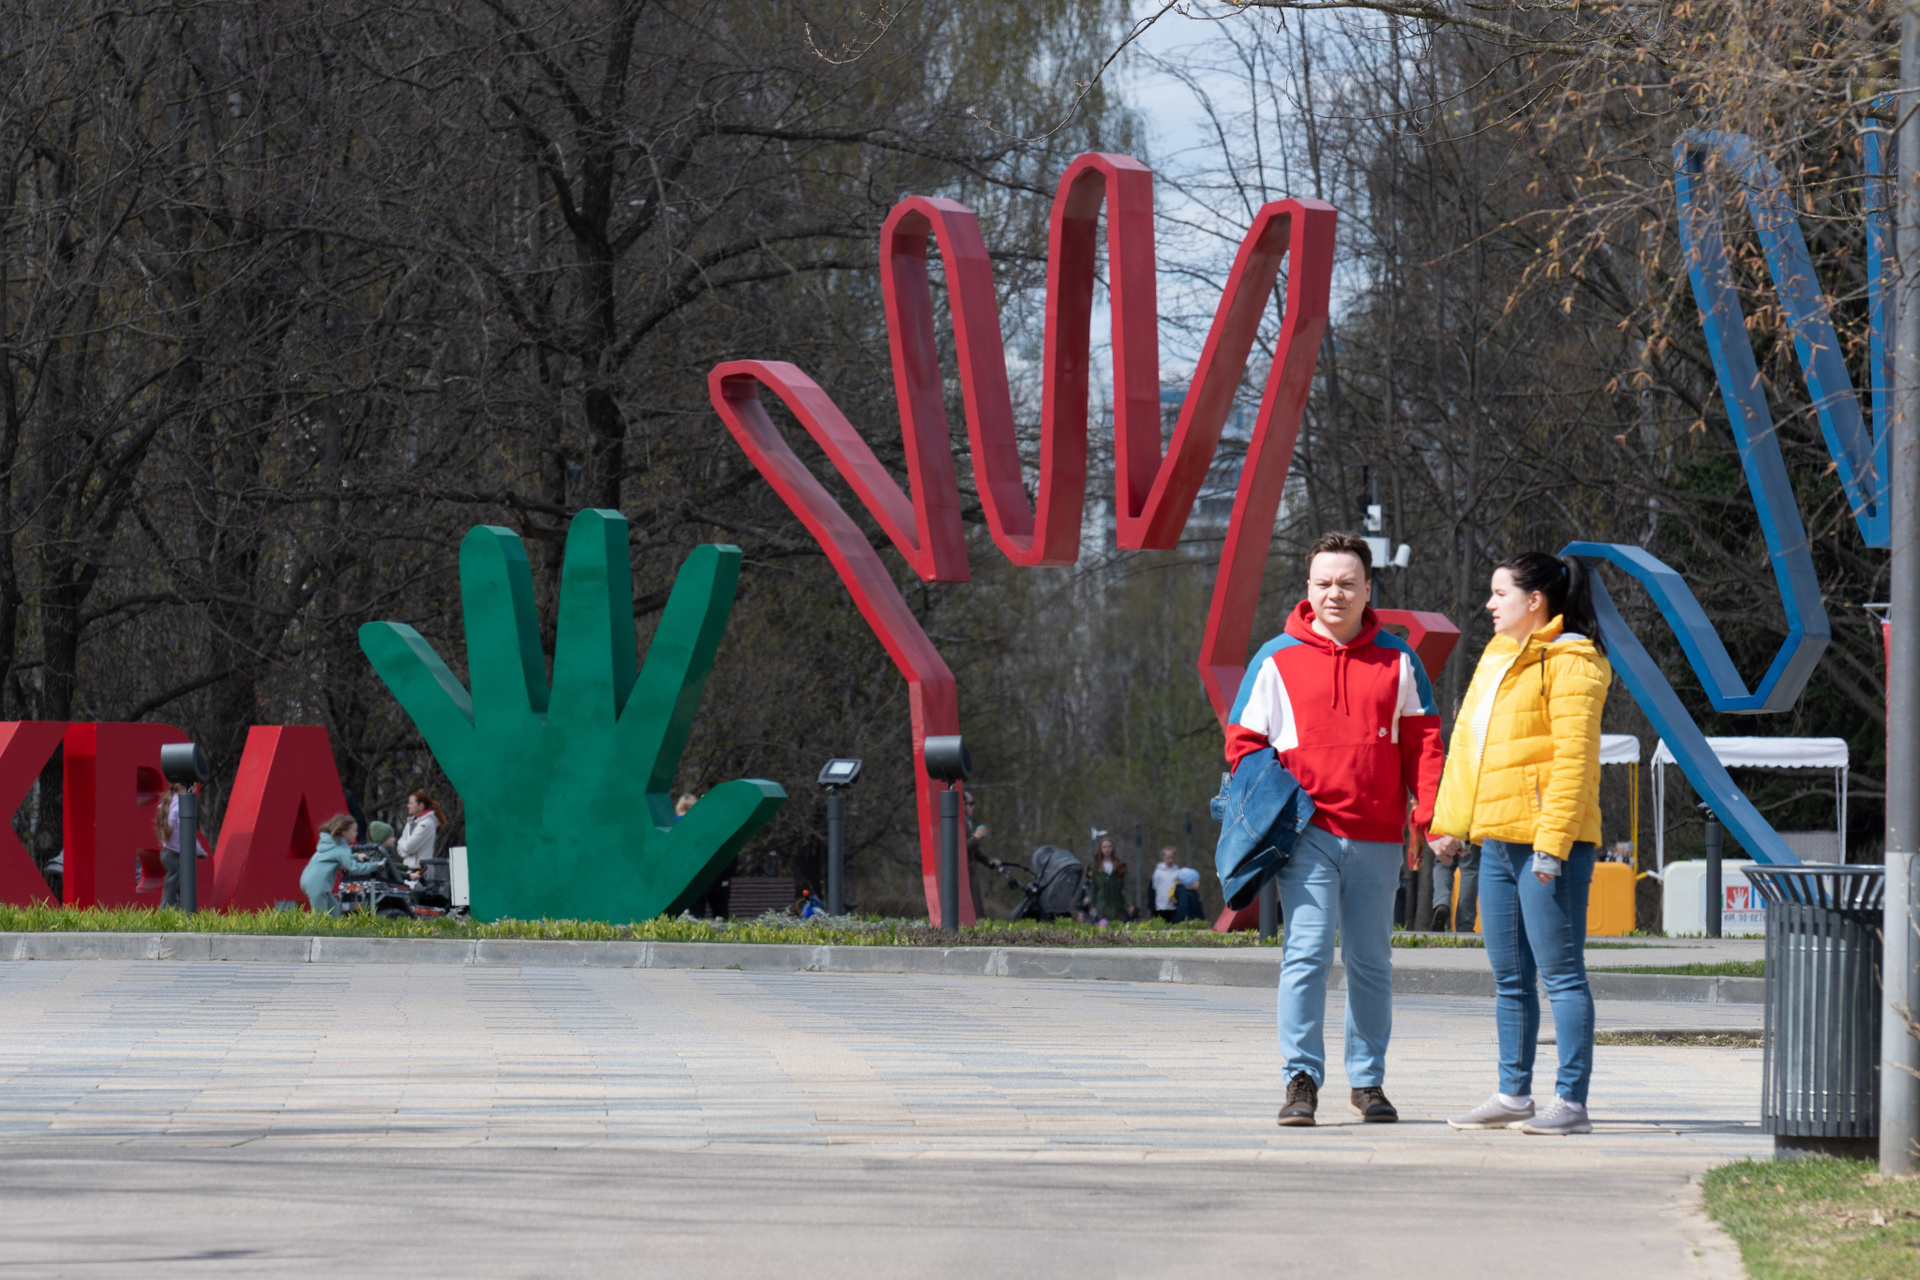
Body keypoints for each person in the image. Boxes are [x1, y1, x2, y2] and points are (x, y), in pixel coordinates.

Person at [1224, 531, 1443, 1127]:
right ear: (1308, 588)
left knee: (1371, 961)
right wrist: (1281, 801)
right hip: (1307, 836)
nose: (1334, 594)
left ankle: (1368, 1081)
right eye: (1323, 583)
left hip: (1378, 835)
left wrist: (1430, 817)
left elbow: (1424, 746)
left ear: (1369, 589)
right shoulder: (1275, 659)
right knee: (1308, 953)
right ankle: (1300, 1080)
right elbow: (1243, 743)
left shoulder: (1400, 660)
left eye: (1347, 583)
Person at [1428, 552, 1611, 1137]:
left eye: (1499, 593)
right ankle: (1512, 1095)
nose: (1489, 603)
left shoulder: (1574, 661)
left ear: (1535, 600)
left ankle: (1571, 1103)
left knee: (1561, 976)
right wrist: (1452, 823)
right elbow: (1470, 747)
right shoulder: (1498, 656)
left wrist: (1552, 846)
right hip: (1497, 842)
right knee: (1510, 979)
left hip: (1547, 846)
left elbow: (1575, 764)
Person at [300, 814, 385, 916]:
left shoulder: (330, 843)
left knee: (335, 911)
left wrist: (355, 856)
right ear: (344, 832)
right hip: (318, 885)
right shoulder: (342, 849)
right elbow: (355, 868)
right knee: (320, 918)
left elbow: (334, 856)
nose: (356, 833)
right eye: (354, 831)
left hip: (307, 879)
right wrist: (376, 865)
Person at [965, 791, 1002, 922]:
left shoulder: (967, 822)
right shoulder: (960, 823)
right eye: (970, 804)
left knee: (977, 910)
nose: (973, 806)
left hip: (970, 872)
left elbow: (974, 851)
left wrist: (989, 861)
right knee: (973, 911)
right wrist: (975, 837)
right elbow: (960, 849)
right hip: (964, 874)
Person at [1085, 837, 1134, 925]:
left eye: (1109, 846)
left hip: (1117, 906)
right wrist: (1092, 906)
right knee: (1103, 928)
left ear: (1112, 848)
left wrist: (1130, 903)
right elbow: (1093, 888)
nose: (1107, 849)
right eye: (1104, 847)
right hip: (1102, 907)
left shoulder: (1120, 866)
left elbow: (1126, 886)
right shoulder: (1096, 867)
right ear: (1101, 849)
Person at [397, 790, 444, 874]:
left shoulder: (426, 824)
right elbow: (400, 846)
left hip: (421, 872)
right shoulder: (410, 822)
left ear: (421, 806)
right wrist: (405, 850)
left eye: (411, 803)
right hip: (410, 870)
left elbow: (409, 847)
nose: (408, 806)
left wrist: (405, 850)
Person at [1151, 847, 1180, 922]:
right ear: (1163, 858)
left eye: (1172, 858)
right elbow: (1154, 886)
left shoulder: (1177, 871)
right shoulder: (1158, 872)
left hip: (1173, 905)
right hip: (1161, 906)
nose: (1170, 860)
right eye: (1168, 858)